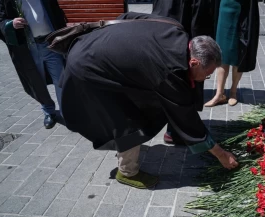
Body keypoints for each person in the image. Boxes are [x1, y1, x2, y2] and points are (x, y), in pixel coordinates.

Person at [60, 12, 239, 189]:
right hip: (88, 70)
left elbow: (127, 17)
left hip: (91, 45)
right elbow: (187, 119)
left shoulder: (174, 26)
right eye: (206, 75)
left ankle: (126, 152)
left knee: (143, 106)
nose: (203, 80)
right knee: (130, 121)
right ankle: (127, 172)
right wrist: (221, 154)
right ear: (193, 62)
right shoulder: (170, 71)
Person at [152, 0, 217, 144]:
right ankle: (178, 129)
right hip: (182, 30)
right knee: (185, 73)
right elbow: (199, 25)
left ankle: (172, 124)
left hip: (161, 28)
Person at [0, 0, 66, 129]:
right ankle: (49, 111)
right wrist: (10, 24)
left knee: (61, 79)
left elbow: (56, 12)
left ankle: (66, 112)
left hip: (50, 42)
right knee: (36, 82)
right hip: (27, 48)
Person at [204, 0, 260, 107]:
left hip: (241, 12)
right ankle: (219, 94)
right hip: (223, 10)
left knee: (238, 54)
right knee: (222, 53)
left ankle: (233, 92)